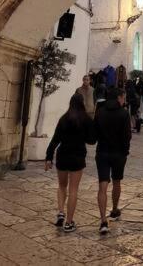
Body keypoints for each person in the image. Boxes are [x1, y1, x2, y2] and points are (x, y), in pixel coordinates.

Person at [45, 93, 96, 232]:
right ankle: (68, 222)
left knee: (62, 186)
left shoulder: (64, 119)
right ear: (82, 103)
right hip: (77, 156)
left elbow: (55, 139)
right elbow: (92, 140)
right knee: (73, 189)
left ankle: (61, 212)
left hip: (63, 155)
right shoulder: (86, 119)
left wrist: (48, 157)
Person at [95, 87, 132, 235]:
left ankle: (103, 220)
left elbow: (94, 133)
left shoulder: (100, 112)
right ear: (118, 98)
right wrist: (125, 151)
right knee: (117, 182)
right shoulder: (124, 114)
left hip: (102, 152)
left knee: (102, 185)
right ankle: (115, 209)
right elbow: (127, 136)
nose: (124, 100)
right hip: (118, 154)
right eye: (123, 97)